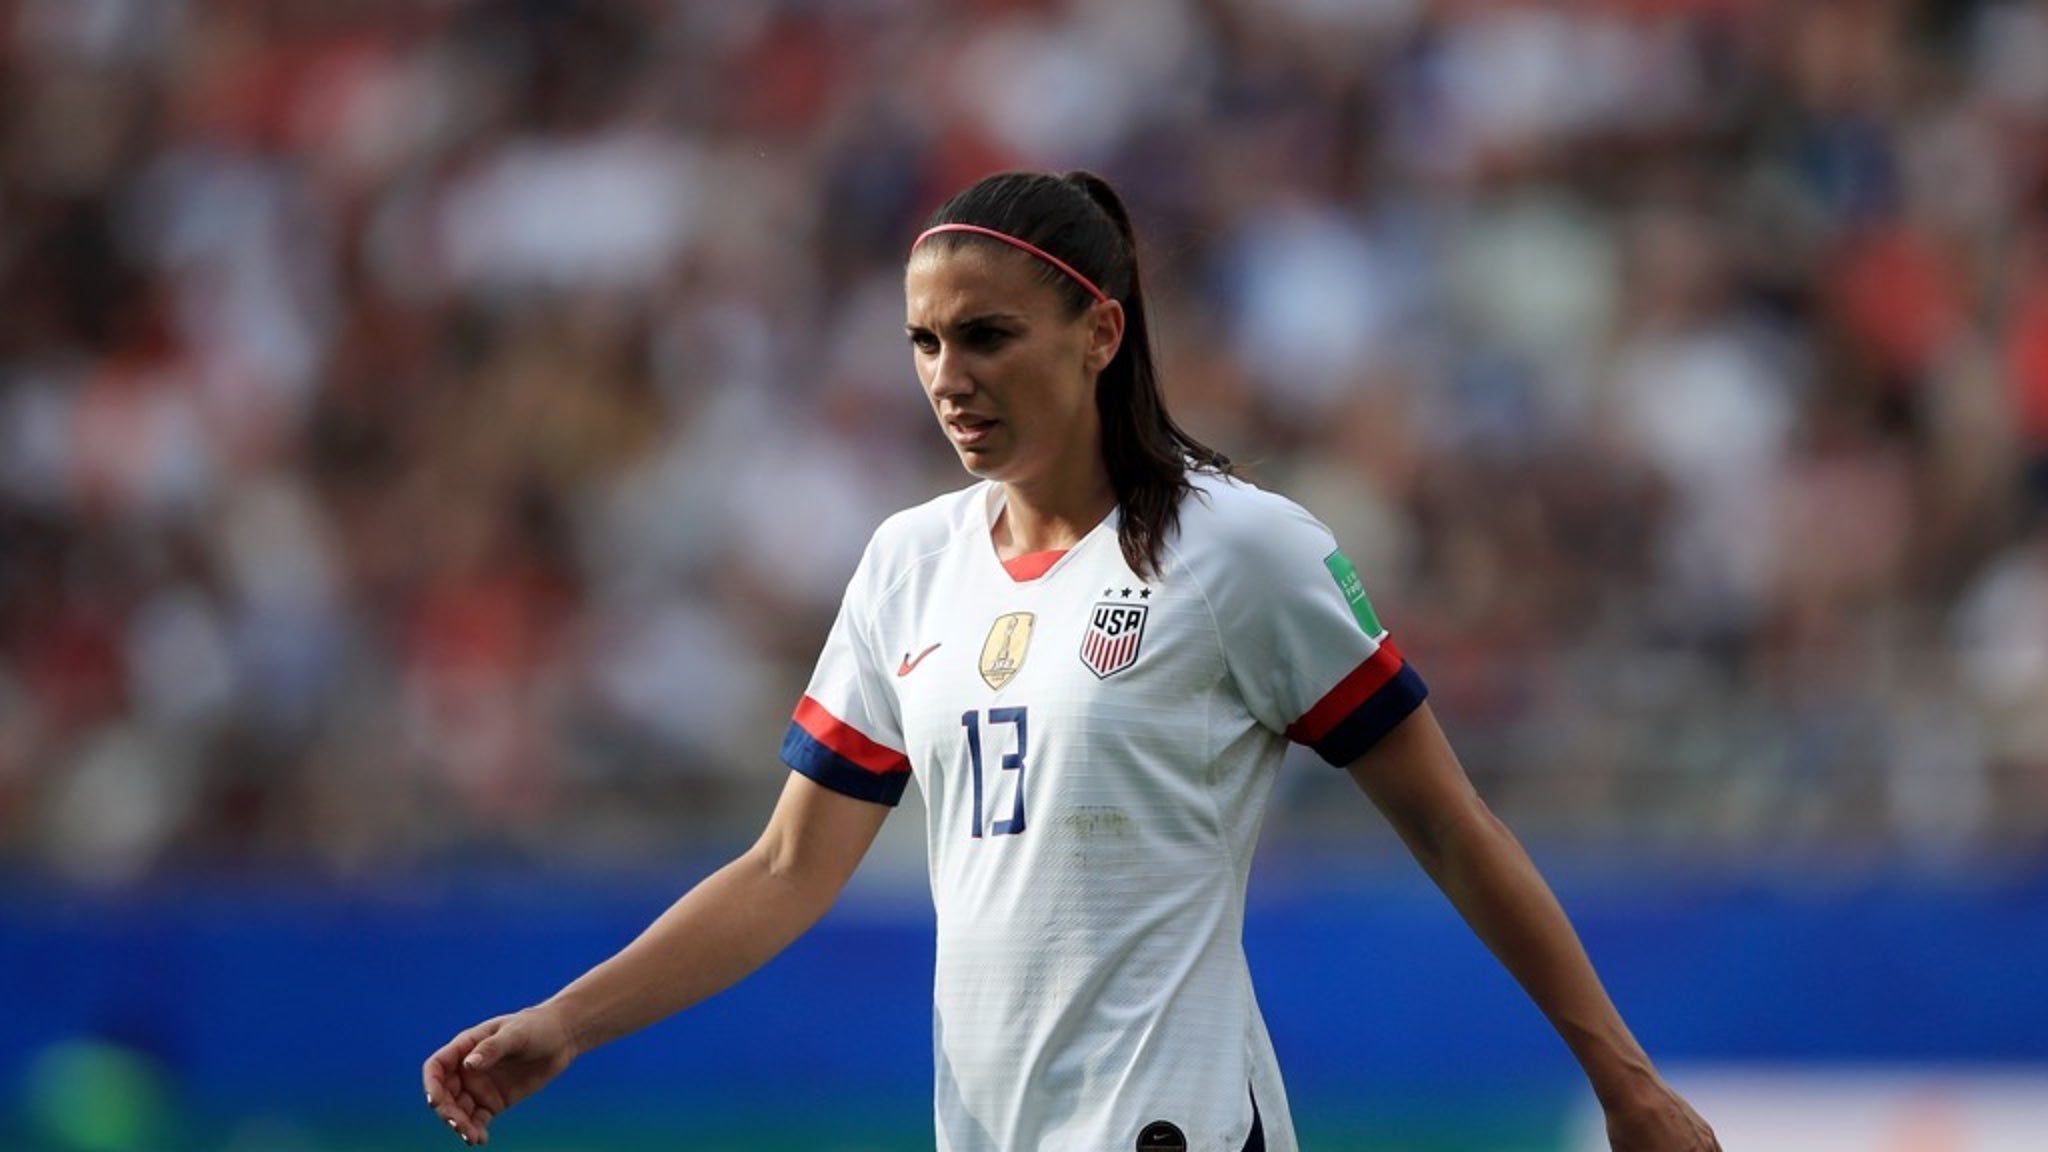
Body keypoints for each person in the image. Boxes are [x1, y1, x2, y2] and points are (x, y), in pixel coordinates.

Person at [422, 170, 1720, 1152]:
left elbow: (1447, 823)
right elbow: (783, 867)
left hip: (1176, 1125)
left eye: (987, 336)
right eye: (926, 342)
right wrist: (565, 1023)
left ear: (1098, 333)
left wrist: (1624, 1078)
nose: (948, 375)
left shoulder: (1242, 552)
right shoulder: (908, 565)